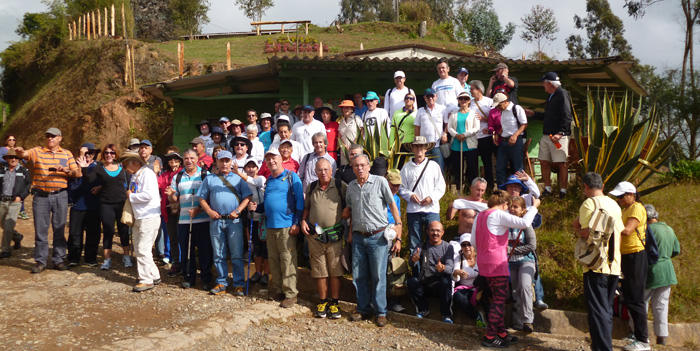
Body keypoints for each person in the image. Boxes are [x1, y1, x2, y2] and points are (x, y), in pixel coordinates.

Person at [471, 190, 540, 348]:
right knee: (499, 301)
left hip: (484, 263)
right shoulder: (498, 214)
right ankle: (489, 336)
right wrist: (534, 207)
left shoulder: (480, 215)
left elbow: (473, 242)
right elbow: (524, 223)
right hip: (497, 263)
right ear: (505, 203)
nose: (508, 210)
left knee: (495, 297)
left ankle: (501, 333)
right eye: (508, 206)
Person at [345, 154, 403, 327]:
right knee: (359, 275)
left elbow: (392, 205)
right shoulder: (351, 187)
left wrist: (399, 224)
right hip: (358, 237)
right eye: (356, 166)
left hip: (378, 238)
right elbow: (351, 210)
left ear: (369, 166)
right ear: (352, 168)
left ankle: (380, 312)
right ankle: (363, 309)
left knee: (378, 276)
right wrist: (350, 232)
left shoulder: (380, 182)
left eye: (362, 165)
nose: (360, 168)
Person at [15, 127, 82, 273]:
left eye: (53, 136)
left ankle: (58, 259)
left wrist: (65, 170)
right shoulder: (38, 151)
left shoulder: (67, 154)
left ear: (60, 138)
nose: (50, 138)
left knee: (59, 229)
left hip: (60, 195)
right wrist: (21, 153)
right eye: (47, 136)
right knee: (41, 230)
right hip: (41, 196)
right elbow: (26, 154)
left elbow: (77, 173)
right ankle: (41, 261)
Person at [572, 172, 623, 351]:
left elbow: (587, 233)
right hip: (614, 263)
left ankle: (603, 348)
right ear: (602, 186)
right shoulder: (615, 204)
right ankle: (600, 345)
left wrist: (576, 228)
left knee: (597, 310)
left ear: (586, 186)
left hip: (595, 263)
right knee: (606, 309)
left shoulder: (589, 203)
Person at [197, 150, 252, 296]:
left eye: (227, 161)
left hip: (234, 221)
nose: (225, 163)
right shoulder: (209, 179)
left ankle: (239, 283)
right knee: (218, 254)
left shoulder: (238, 179)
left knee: (236, 254)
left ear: (231, 162)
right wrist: (209, 211)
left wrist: (238, 211)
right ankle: (221, 282)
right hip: (216, 221)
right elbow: (201, 198)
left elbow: (247, 196)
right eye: (222, 161)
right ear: (217, 162)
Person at [301, 158, 347, 319]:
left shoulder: (341, 186)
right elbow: (307, 207)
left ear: (331, 170)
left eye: (326, 169)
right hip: (315, 236)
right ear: (315, 172)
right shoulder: (312, 187)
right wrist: (303, 221)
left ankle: (334, 303)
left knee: (335, 271)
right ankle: (323, 301)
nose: (323, 172)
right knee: (320, 271)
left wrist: (346, 215)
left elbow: (350, 204)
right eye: (320, 170)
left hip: (335, 236)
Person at [259, 148, 304, 308]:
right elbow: (267, 203)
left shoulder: (292, 176)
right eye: (268, 159)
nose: (271, 161)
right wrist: (256, 208)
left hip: (287, 226)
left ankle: (291, 294)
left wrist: (296, 222)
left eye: (274, 158)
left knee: (288, 260)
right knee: (274, 259)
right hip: (271, 225)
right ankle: (278, 290)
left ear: (280, 159)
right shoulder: (269, 179)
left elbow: (300, 201)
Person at [610, 181, 650, 351]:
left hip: (635, 255)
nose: (619, 199)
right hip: (626, 255)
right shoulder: (626, 209)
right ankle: (636, 334)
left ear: (631, 194)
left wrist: (609, 227)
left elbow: (627, 230)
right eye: (617, 196)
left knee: (636, 299)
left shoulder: (636, 208)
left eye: (621, 196)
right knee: (630, 297)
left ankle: (643, 340)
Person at [77, 144, 132, 269]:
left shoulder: (123, 168)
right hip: (106, 204)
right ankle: (107, 260)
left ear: (116, 154)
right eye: (107, 153)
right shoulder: (99, 168)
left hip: (122, 203)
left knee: (123, 231)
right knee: (108, 231)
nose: (109, 155)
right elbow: (90, 180)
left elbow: (128, 184)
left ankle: (126, 257)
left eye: (112, 153)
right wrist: (84, 168)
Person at [166, 148, 214, 290]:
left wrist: (199, 208)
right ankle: (189, 277)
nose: (189, 161)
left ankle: (206, 278)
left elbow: (211, 197)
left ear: (197, 159)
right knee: (187, 250)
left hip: (203, 220)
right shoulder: (178, 177)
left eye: (192, 158)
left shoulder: (205, 175)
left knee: (205, 250)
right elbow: (175, 200)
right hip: (184, 220)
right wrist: (171, 195)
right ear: (183, 160)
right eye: (186, 158)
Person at [527, 72, 573, 199]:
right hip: (547, 135)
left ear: (550, 83)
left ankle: (563, 190)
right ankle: (548, 189)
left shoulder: (562, 94)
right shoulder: (551, 96)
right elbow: (548, 116)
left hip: (558, 136)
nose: (543, 86)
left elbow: (567, 115)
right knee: (543, 161)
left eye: (544, 83)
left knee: (561, 162)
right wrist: (534, 114)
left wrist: (561, 133)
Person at [119, 152, 160, 292]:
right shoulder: (135, 175)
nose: (124, 169)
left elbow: (148, 195)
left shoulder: (147, 174)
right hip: (140, 216)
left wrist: (131, 196)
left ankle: (146, 280)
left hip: (149, 216)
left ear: (134, 162)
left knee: (142, 248)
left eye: (125, 165)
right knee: (141, 247)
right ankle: (153, 275)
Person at [399, 136, 446, 252]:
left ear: (426, 149)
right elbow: (401, 188)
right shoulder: (405, 168)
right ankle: (417, 270)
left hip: (432, 210)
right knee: (414, 245)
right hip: (414, 211)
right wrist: (410, 196)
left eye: (421, 146)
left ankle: (432, 270)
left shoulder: (434, 166)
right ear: (412, 149)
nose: (419, 148)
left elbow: (441, 186)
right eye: (416, 146)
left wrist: (432, 198)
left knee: (435, 243)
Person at [643, 204, 680, 346]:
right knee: (662, 304)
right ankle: (662, 337)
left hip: (652, 270)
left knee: (642, 302)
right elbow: (676, 250)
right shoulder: (669, 229)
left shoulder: (647, 230)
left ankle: (640, 334)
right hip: (667, 270)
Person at [407, 221, 455, 323]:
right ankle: (422, 309)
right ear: (428, 232)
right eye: (432, 230)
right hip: (425, 281)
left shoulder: (448, 247)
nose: (435, 233)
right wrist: (413, 259)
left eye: (438, 230)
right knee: (412, 282)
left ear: (442, 232)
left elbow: (450, 268)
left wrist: (443, 268)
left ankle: (446, 314)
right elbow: (411, 263)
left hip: (439, 283)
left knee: (447, 281)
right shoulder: (421, 246)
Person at [234, 157, 270, 287]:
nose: (250, 169)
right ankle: (258, 272)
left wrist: (238, 173)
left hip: (263, 219)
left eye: (253, 166)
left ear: (257, 168)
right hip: (251, 218)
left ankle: (266, 273)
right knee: (256, 247)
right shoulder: (242, 182)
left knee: (265, 248)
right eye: (248, 167)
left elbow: (254, 182)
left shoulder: (261, 179)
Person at [506, 196, 538, 333]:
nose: (512, 209)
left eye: (516, 207)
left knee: (525, 286)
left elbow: (532, 245)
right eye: (511, 206)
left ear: (523, 210)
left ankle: (528, 320)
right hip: (511, 262)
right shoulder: (504, 224)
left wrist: (511, 250)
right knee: (514, 291)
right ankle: (517, 322)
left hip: (527, 260)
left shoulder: (526, 224)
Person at [67, 143, 101, 267]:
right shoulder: (73, 167)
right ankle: (74, 257)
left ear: (95, 154)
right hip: (77, 204)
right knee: (75, 233)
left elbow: (106, 182)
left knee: (93, 233)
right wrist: (79, 165)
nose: (88, 155)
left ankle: (91, 258)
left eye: (91, 153)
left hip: (93, 205)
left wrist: (100, 187)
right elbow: (74, 183)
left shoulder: (98, 167)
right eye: (85, 153)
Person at [491, 93, 528, 186]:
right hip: (504, 140)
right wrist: (497, 134)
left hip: (516, 141)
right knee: (499, 167)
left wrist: (515, 135)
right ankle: (501, 191)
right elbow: (505, 127)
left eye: (499, 105)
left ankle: (520, 191)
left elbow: (524, 124)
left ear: (505, 101)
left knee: (517, 168)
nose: (498, 108)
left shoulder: (516, 108)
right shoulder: (502, 111)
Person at [0, 149, 31, 259]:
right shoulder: (2, 171)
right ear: (7, 159)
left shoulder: (24, 171)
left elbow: (28, 186)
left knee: (8, 226)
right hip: (2, 201)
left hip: (15, 202)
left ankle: (5, 250)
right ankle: (17, 237)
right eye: (11, 157)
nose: (14, 159)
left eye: (16, 157)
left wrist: (20, 197)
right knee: (3, 225)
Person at [451, 233, 486, 327]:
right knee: (457, 296)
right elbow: (455, 277)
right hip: (465, 289)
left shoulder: (480, 257)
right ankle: (476, 317)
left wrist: (481, 291)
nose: (467, 247)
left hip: (480, 288)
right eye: (464, 245)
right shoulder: (459, 259)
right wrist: (456, 273)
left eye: (469, 244)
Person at [447, 91, 479, 187]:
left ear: (469, 101)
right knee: (458, 168)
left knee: (471, 168)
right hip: (456, 144)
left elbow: (476, 128)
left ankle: (470, 189)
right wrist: (457, 135)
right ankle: (458, 188)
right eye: (461, 99)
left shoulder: (474, 113)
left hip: (470, 145)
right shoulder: (454, 113)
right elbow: (450, 127)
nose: (463, 100)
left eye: (466, 99)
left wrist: (464, 135)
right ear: (458, 100)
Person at [158, 151, 183, 276]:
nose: (173, 162)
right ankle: (176, 263)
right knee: (172, 238)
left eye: (176, 159)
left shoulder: (182, 173)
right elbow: (156, 184)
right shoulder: (164, 175)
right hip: (167, 209)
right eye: (170, 160)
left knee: (183, 238)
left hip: (182, 209)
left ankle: (184, 263)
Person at [469, 80, 496, 191]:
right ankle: (473, 188)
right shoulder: (469, 102)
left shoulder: (489, 102)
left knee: (487, 162)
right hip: (473, 137)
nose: (470, 91)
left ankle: (490, 188)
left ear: (479, 90)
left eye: (472, 89)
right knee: (472, 163)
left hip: (485, 137)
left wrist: (483, 119)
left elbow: (496, 118)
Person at [414, 88, 448, 171]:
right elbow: (417, 127)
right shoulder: (420, 111)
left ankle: (442, 184)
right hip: (424, 145)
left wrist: (445, 134)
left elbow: (447, 123)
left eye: (432, 96)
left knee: (439, 167)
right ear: (424, 98)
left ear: (436, 97)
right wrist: (417, 143)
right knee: (423, 168)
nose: (430, 98)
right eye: (428, 97)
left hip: (437, 144)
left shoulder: (442, 109)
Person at [0, 135, 28, 221]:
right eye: (10, 140)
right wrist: (10, 160)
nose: (12, 141)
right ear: (6, 141)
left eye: (13, 140)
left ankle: (21, 210)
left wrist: (21, 156)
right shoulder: (2, 149)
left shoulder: (17, 150)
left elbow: (25, 160)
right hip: (7, 171)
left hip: (18, 172)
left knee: (19, 189)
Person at [337, 100, 364, 165]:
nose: (345, 109)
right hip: (344, 151)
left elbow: (361, 133)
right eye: (343, 108)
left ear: (352, 109)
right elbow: (339, 136)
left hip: (355, 150)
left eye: (347, 107)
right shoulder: (341, 122)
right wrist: (344, 146)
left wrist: (352, 145)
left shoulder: (356, 119)